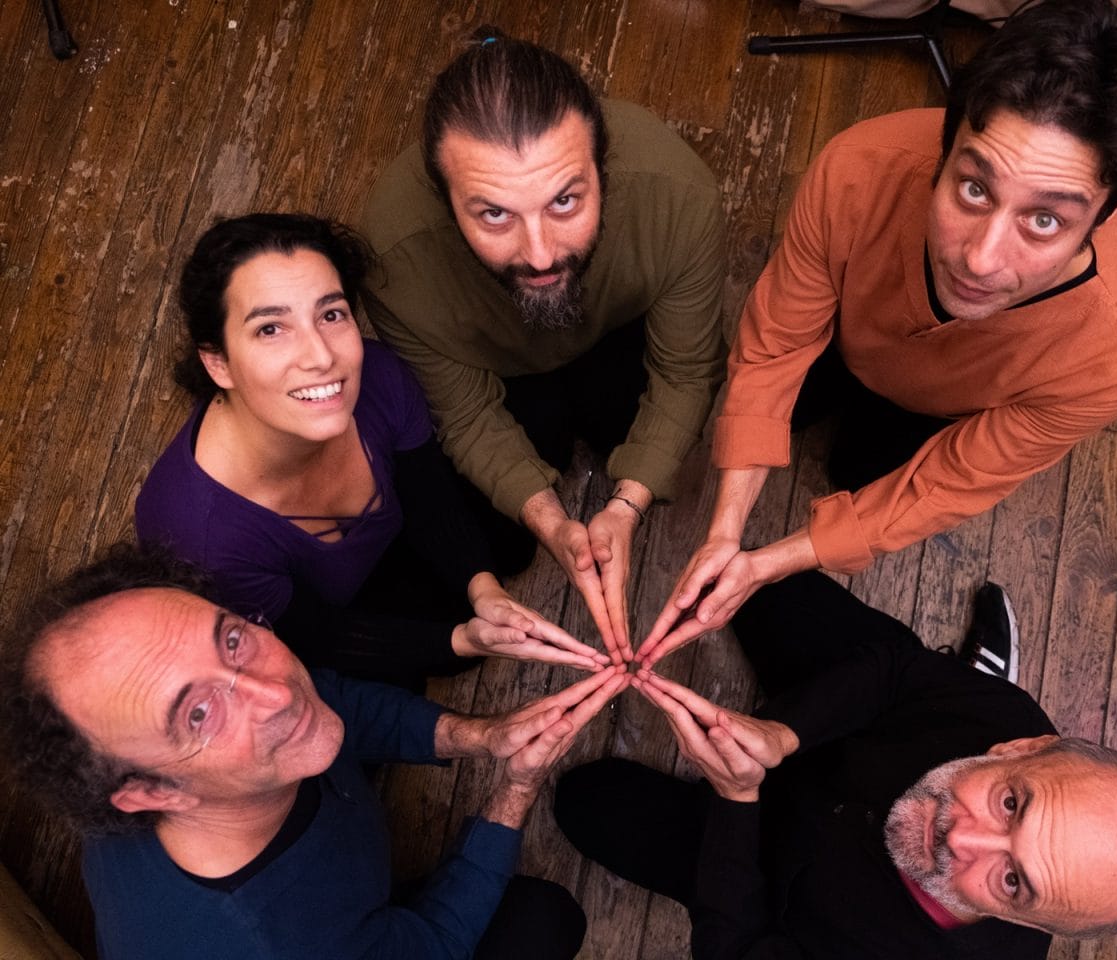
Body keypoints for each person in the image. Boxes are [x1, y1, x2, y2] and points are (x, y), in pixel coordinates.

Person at [639, 0, 1117, 666]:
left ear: (1108, 211)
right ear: (946, 149)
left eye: (1044, 222)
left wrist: (766, 564)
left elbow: (948, 480)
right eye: (973, 189)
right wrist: (726, 531)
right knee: (772, 400)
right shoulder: (857, 169)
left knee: (857, 469)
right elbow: (778, 342)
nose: (980, 260)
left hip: (938, 412)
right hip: (838, 335)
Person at [0, 543, 629, 960]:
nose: (275, 694)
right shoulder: (280, 942)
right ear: (152, 793)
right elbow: (430, 944)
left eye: (232, 639)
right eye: (197, 712)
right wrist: (515, 788)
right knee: (543, 921)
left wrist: (482, 736)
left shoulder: (159, 756)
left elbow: (332, 702)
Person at [557, 572, 1117, 958]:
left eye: (1013, 880)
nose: (960, 837)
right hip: (843, 730)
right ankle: (967, 677)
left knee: (584, 804)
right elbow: (894, 676)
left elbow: (739, 948)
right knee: (759, 586)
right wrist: (783, 732)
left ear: (1032, 926)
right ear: (1023, 748)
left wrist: (737, 801)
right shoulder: (1006, 718)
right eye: (1011, 804)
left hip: (758, 861)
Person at [361, 28, 727, 664]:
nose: (539, 254)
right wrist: (549, 520)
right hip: (499, 368)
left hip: (617, 333)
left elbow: (687, 368)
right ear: (445, 204)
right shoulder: (395, 259)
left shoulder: (678, 196)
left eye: (565, 200)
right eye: (494, 215)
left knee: (640, 431)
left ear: (603, 169)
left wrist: (628, 501)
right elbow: (467, 414)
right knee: (507, 535)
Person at [136, 214, 606, 690]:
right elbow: (316, 636)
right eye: (271, 329)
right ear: (219, 362)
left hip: (398, 543)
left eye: (331, 314)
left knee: (522, 478)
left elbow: (428, 494)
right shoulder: (201, 537)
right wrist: (460, 641)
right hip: (343, 612)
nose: (321, 356)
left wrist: (481, 587)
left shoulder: (377, 375)